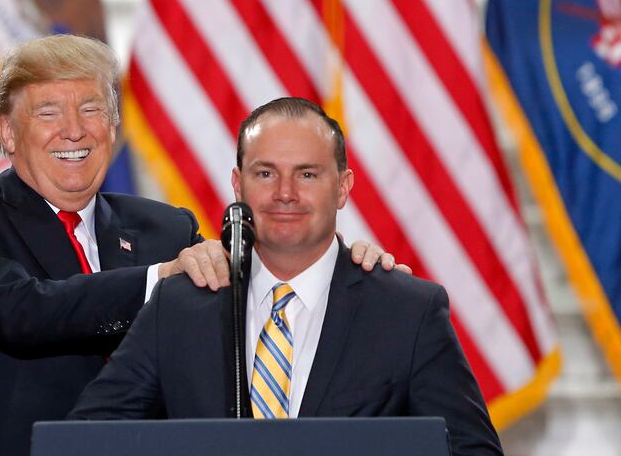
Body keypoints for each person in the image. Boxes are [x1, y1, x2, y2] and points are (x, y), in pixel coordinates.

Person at [0, 36, 398, 456]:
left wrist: (341, 269)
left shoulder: (165, 230)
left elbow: (258, 293)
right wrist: (159, 279)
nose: (74, 129)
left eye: (91, 108)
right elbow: (20, 310)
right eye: (49, 112)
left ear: (112, 127)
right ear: (7, 132)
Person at [68, 97, 504, 456]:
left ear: (344, 188)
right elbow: (84, 441)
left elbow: (472, 451)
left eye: (307, 174)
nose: (285, 194)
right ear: (238, 186)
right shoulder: (179, 306)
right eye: (265, 173)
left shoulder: (408, 311)